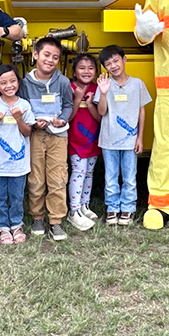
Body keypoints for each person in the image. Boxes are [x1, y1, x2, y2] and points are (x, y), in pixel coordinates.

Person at [19, 37, 74, 240]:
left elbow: (68, 105)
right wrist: (32, 122)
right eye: (46, 55)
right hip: (34, 134)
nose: (50, 60)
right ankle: (37, 217)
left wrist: (61, 119)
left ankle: (56, 220)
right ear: (35, 54)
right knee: (35, 178)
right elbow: (22, 106)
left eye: (55, 57)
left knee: (58, 177)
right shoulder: (24, 84)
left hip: (58, 136)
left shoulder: (63, 82)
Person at [95, 44, 151, 227]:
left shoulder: (137, 84)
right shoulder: (104, 84)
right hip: (109, 139)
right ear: (105, 67)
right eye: (108, 64)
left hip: (130, 139)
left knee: (129, 176)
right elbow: (101, 112)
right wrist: (103, 94)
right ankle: (112, 208)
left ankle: (128, 207)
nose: (113, 66)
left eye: (116, 60)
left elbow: (141, 111)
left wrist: (140, 137)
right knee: (110, 175)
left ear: (124, 59)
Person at [0, 64, 36, 244]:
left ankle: (16, 224)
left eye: (12, 81)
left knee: (16, 196)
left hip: (18, 164)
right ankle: (2, 226)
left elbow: (27, 132)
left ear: (18, 82)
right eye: (3, 82)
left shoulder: (24, 105)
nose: (9, 85)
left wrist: (19, 118)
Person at [66, 53, 101, 231]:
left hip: (93, 139)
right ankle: (73, 211)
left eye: (90, 68)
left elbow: (100, 118)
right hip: (75, 140)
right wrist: (77, 100)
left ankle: (83, 206)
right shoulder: (69, 88)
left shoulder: (98, 89)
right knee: (78, 172)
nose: (86, 71)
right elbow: (68, 118)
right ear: (74, 71)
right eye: (82, 67)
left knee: (89, 173)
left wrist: (90, 104)